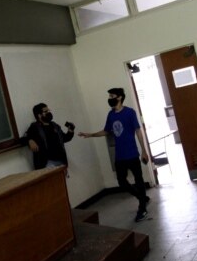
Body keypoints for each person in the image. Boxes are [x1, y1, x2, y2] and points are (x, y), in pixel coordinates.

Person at [79, 87, 151, 222]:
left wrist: (144, 151)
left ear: (119, 98)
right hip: (119, 156)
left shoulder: (130, 112)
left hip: (132, 154)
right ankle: (142, 197)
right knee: (122, 182)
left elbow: (138, 131)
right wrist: (90, 135)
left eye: (112, 96)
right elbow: (106, 131)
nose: (109, 98)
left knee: (139, 181)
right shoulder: (111, 115)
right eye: (109, 96)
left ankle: (142, 208)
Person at [22, 103, 75, 171]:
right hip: (46, 164)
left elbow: (65, 138)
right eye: (46, 111)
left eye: (48, 110)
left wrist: (70, 131)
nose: (49, 113)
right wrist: (30, 141)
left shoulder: (55, 125)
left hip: (61, 161)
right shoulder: (34, 127)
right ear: (39, 115)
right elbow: (23, 139)